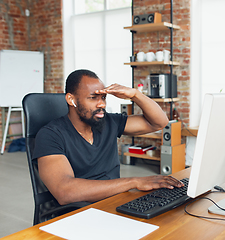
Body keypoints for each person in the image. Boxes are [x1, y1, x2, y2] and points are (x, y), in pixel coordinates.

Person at [32, 69, 183, 205]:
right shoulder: (50, 135)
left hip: (116, 201)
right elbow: (65, 191)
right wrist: (134, 182)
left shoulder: (108, 121)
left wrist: (136, 95)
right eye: (93, 98)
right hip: (80, 212)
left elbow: (159, 122)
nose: (101, 104)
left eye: (103, 98)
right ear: (71, 100)